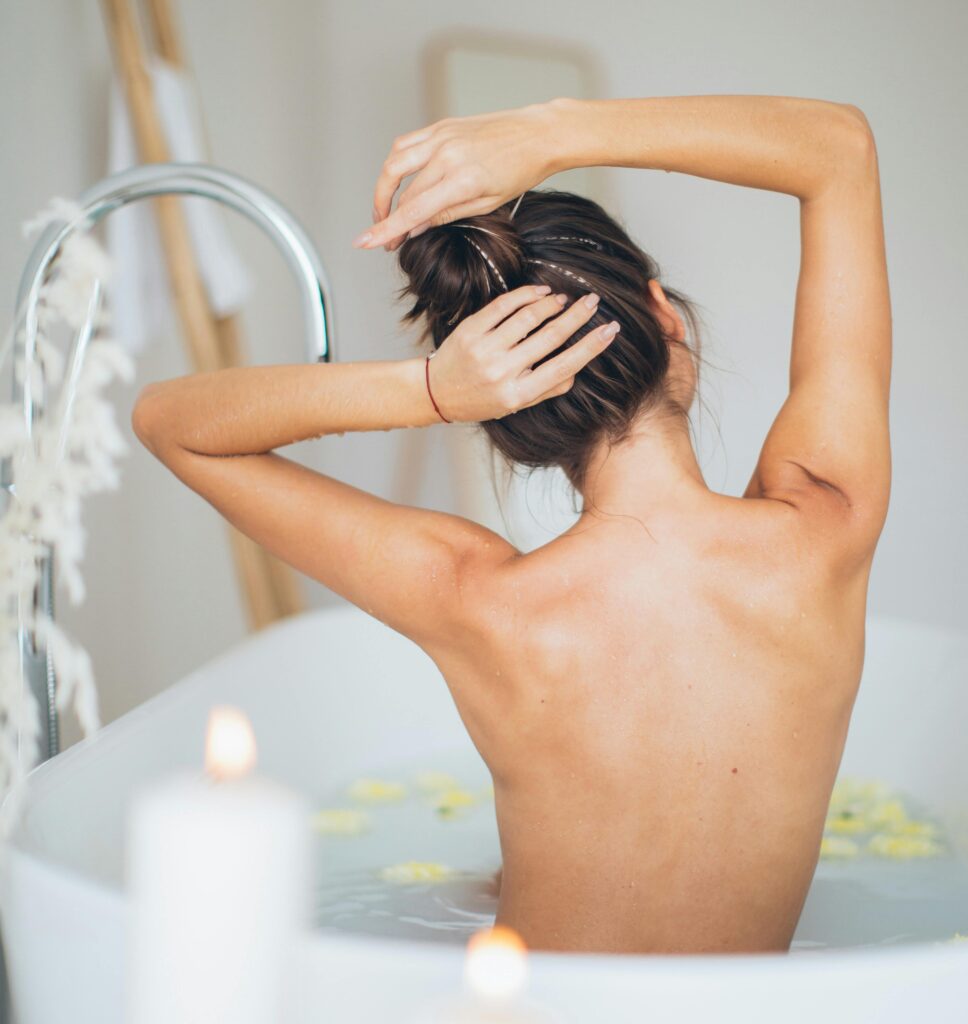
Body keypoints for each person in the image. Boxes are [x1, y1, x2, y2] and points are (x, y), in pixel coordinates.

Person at [132, 95, 891, 954]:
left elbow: (170, 423)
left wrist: (427, 391)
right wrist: (555, 133)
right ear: (665, 316)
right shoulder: (826, 523)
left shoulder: (476, 601)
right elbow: (837, 149)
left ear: (505, 419)